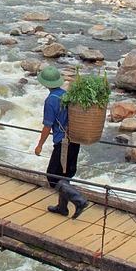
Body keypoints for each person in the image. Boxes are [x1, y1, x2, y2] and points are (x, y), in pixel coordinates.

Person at [33, 66, 88, 219]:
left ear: (45, 84)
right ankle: (62, 208)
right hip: (74, 139)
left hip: (62, 142)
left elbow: (47, 125)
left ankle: (79, 201)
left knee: (52, 176)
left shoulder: (51, 100)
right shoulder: (66, 95)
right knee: (65, 175)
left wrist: (39, 145)